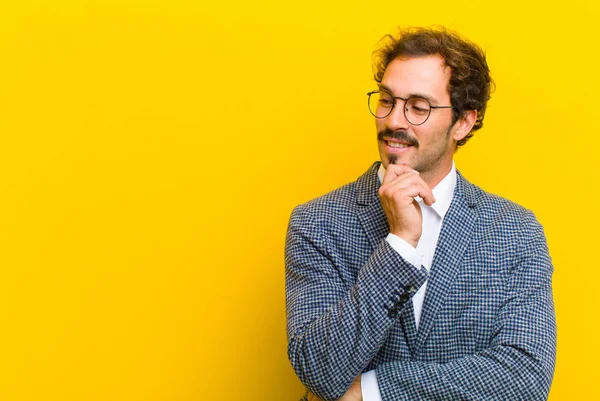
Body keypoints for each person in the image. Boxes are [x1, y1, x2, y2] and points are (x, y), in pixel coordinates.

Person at [284, 27, 556, 401]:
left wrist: (372, 390)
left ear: (463, 122)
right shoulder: (318, 223)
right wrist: (399, 245)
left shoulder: (515, 232)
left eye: (418, 107)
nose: (394, 121)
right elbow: (319, 369)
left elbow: (525, 378)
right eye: (386, 100)